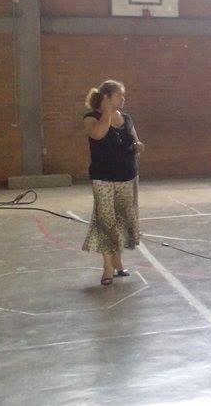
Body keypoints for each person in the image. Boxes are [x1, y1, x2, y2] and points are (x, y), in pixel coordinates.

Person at [82, 80, 143, 286]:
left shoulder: (126, 118)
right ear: (106, 97)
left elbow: (135, 140)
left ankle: (117, 260)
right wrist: (107, 111)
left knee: (122, 220)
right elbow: (98, 134)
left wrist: (137, 146)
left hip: (127, 175)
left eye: (123, 96)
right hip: (103, 177)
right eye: (118, 95)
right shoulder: (92, 118)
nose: (123, 99)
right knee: (106, 220)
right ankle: (107, 266)